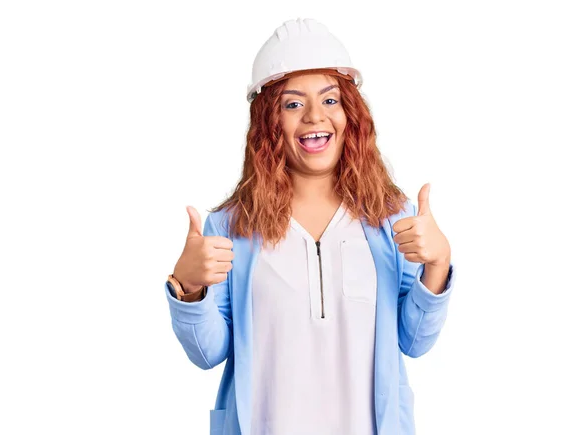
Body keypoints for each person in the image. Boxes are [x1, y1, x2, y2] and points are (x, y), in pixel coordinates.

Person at [164, 17, 456, 435]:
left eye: (331, 101)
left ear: (350, 114)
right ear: (269, 122)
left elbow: (414, 341)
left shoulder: (393, 215)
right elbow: (208, 353)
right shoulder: (228, 225)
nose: (315, 117)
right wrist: (189, 289)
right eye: (293, 104)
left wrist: (438, 263)